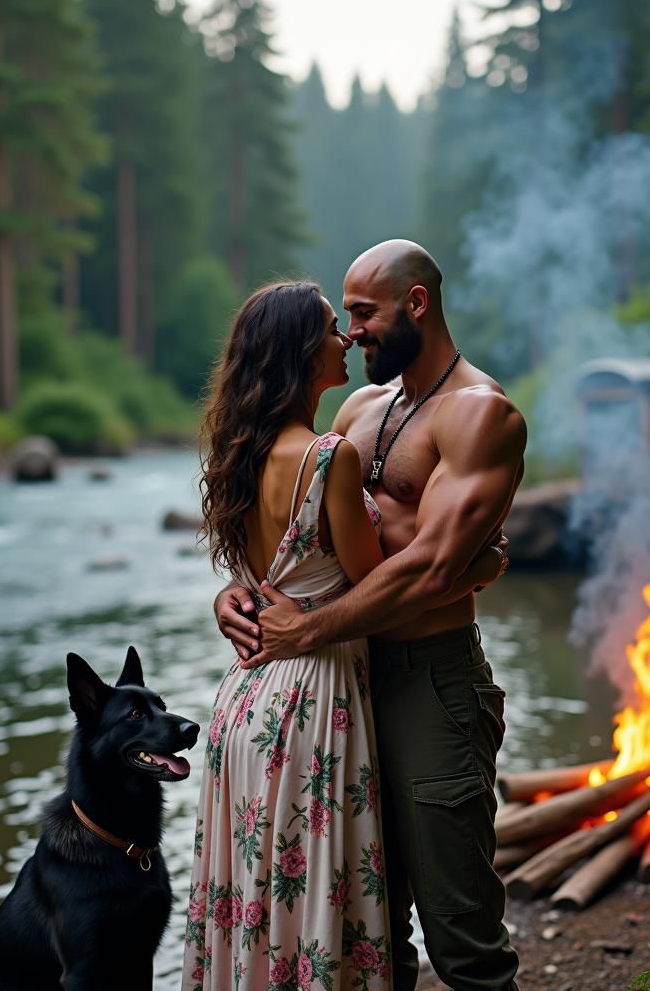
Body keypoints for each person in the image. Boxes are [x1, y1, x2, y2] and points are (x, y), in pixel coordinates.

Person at [215, 241, 526, 991]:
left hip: (428, 688)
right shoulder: (358, 409)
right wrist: (239, 592)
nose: (351, 333)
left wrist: (313, 626)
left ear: (416, 304)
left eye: (363, 313)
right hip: (335, 697)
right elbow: (295, 535)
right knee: (365, 932)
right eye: (343, 318)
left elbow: (432, 567)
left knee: (463, 937)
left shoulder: (481, 416)